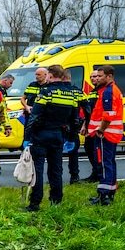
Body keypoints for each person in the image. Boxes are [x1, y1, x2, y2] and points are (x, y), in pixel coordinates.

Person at [22, 64, 81, 212]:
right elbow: (75, 119)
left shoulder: (46, 93)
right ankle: (56, 201)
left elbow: (34, 117)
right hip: (59, 135)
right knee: (56, 170)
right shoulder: (71, 95)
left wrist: (27, 137)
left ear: (50, 76)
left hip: (42, 134)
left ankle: (35, 203)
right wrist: (72, 138)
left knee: (38, 170)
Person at [86, 65, 124, 205]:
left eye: (100, 76)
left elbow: (108, 116)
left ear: (109, 76)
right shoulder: (111, 90)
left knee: (103, 164)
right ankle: (110, 192)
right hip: (111, 134)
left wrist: (100, 130)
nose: (97, 78)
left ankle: (104, 196)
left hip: (106, 134)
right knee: (109, 162)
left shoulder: (108, 92)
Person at [71, 79, 100, 184]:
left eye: (96, 76)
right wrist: (85, 124)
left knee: (96, 150)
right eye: (92, 77)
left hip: (99, 127)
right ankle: (96, 172)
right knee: (89, 148)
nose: (93, 79)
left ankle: (99, 174)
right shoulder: (92, 92)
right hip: (91, 125)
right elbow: (89, 111)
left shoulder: (102, 92)